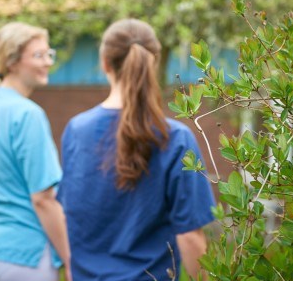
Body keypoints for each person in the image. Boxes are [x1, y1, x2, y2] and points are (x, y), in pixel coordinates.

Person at [59, 19, 216, 281]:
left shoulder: (76, 130)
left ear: (105, 63)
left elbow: (70, 215)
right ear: (153, 60)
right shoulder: (175, 138)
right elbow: (189, 235)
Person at [0, 22, 71, 281]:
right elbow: (43, 199)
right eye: (38, 55)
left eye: (49, 54)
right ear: (12, 62)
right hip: (24, 257)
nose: (47, 62)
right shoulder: (28, 114)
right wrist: (70, 259)